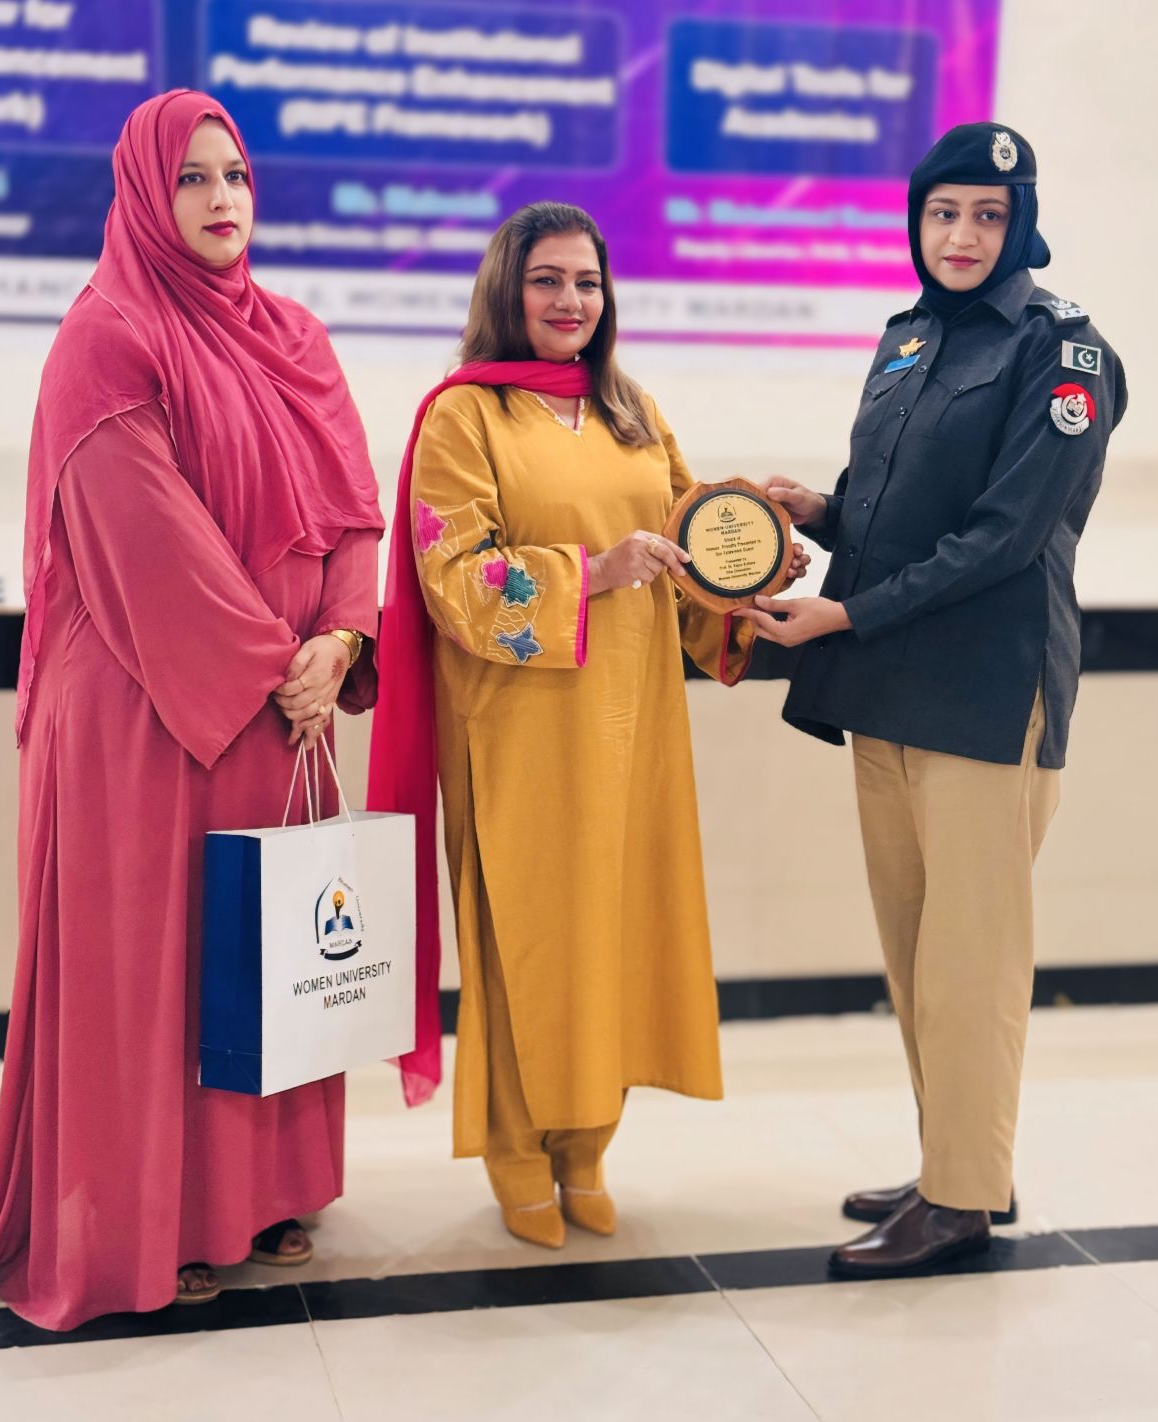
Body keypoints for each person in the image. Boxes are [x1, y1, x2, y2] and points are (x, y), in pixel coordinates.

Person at [0, 90, 391, 1329]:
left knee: (265, 961)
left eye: (236, 176)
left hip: (278, 710)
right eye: (192, 178)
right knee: (156, 973)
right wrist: (278, 665)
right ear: (142, 195)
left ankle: (262, 1196)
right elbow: (144, 538)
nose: (223, 199)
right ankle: (147, 1220)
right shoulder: (105, 337)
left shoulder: (297, 337)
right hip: (148, 713)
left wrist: (340, 638)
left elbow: (354, 513)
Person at [368, 201, 806, 1248]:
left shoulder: (631, 411)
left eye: (587, 282)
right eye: (548, 280)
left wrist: (752, 565)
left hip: (633, 724)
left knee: (615, 929)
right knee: (529, 936)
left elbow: (689, 545)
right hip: (518, 727)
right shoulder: (464, 417)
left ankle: (587, 1146)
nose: (571, 301)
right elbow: (451, 574)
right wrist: (594, 572)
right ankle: (518, 1153)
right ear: (506, 290)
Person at [737, 124, 1127, 1275]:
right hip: (887, 688)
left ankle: (958, 1201)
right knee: (915, 957)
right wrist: (813, 512)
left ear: (1020, 225)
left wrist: (844, 614)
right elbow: (890, 503)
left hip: (984, 693)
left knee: (970, 965)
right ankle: (955, 1163)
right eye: (942, 212)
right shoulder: (908, 337)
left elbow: (1002, 538)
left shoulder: (1064, 352)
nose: (960, 235)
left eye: (987, 216)